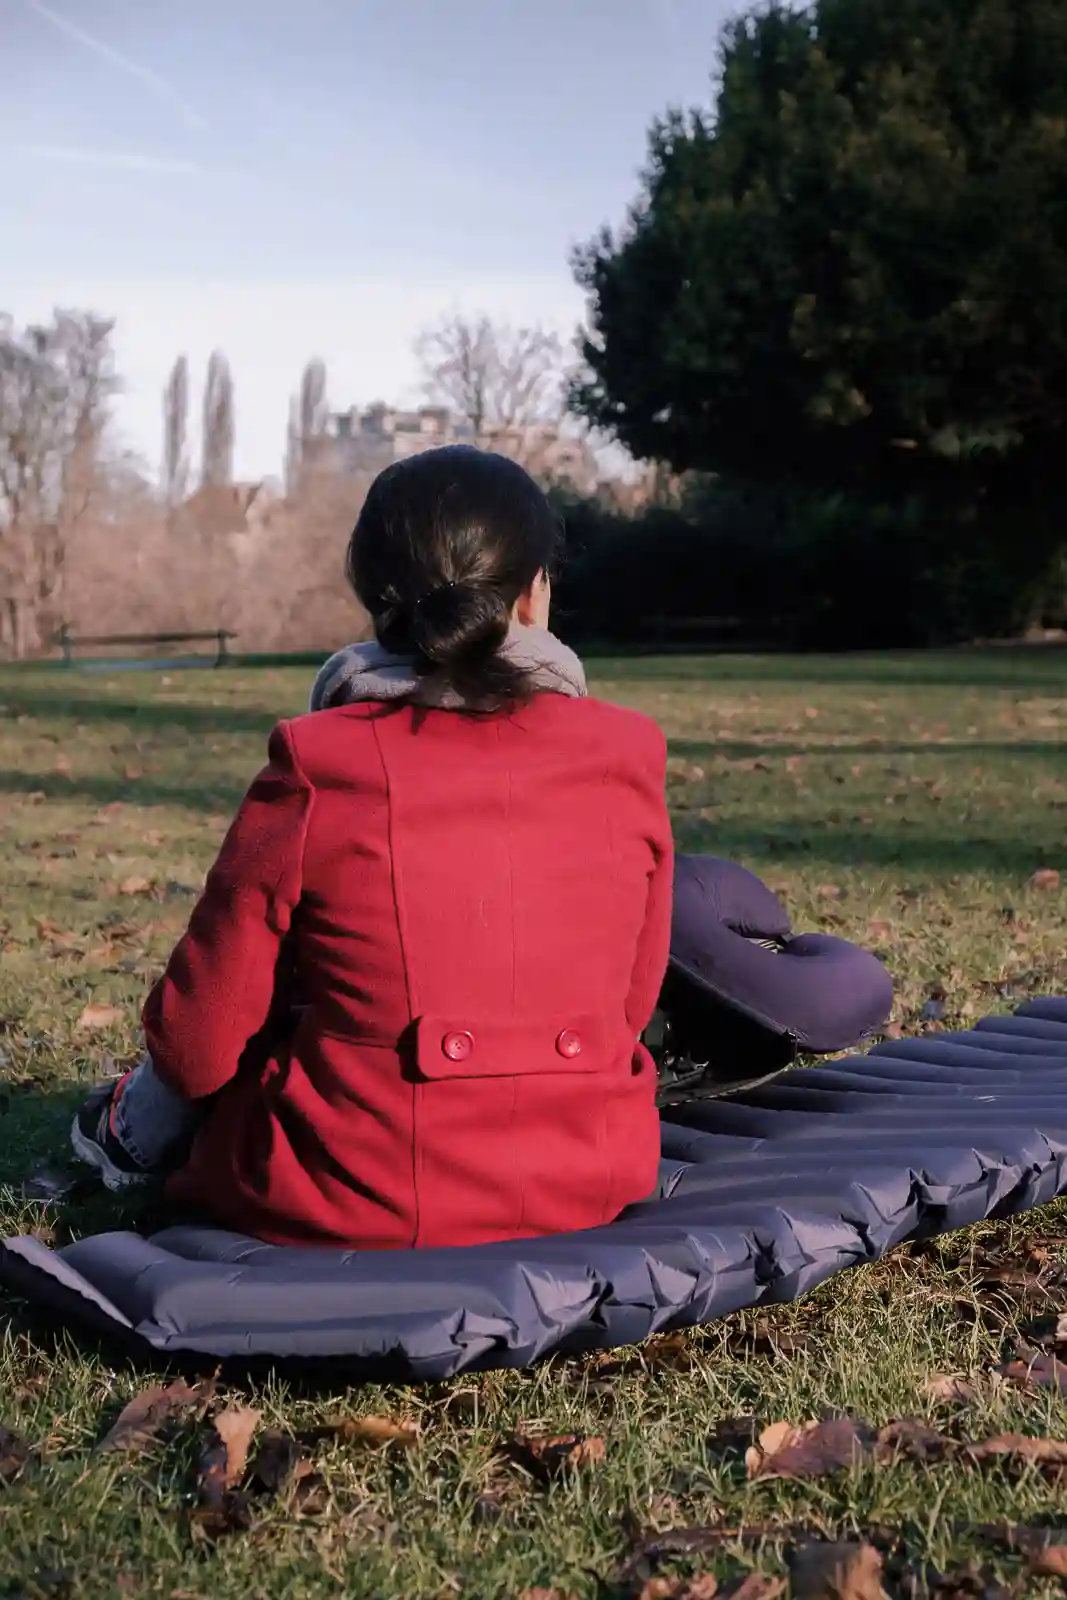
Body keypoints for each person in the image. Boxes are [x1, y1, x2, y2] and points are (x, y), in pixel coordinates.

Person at [71, 446, 674, 1250]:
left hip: (355, 1191)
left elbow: (198, 1042)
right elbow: (630, 1008)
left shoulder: (321, 762)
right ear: (535, 591)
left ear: (373, 599)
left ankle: (121, 1137)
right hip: (591, 1174)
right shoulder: (629, 752)